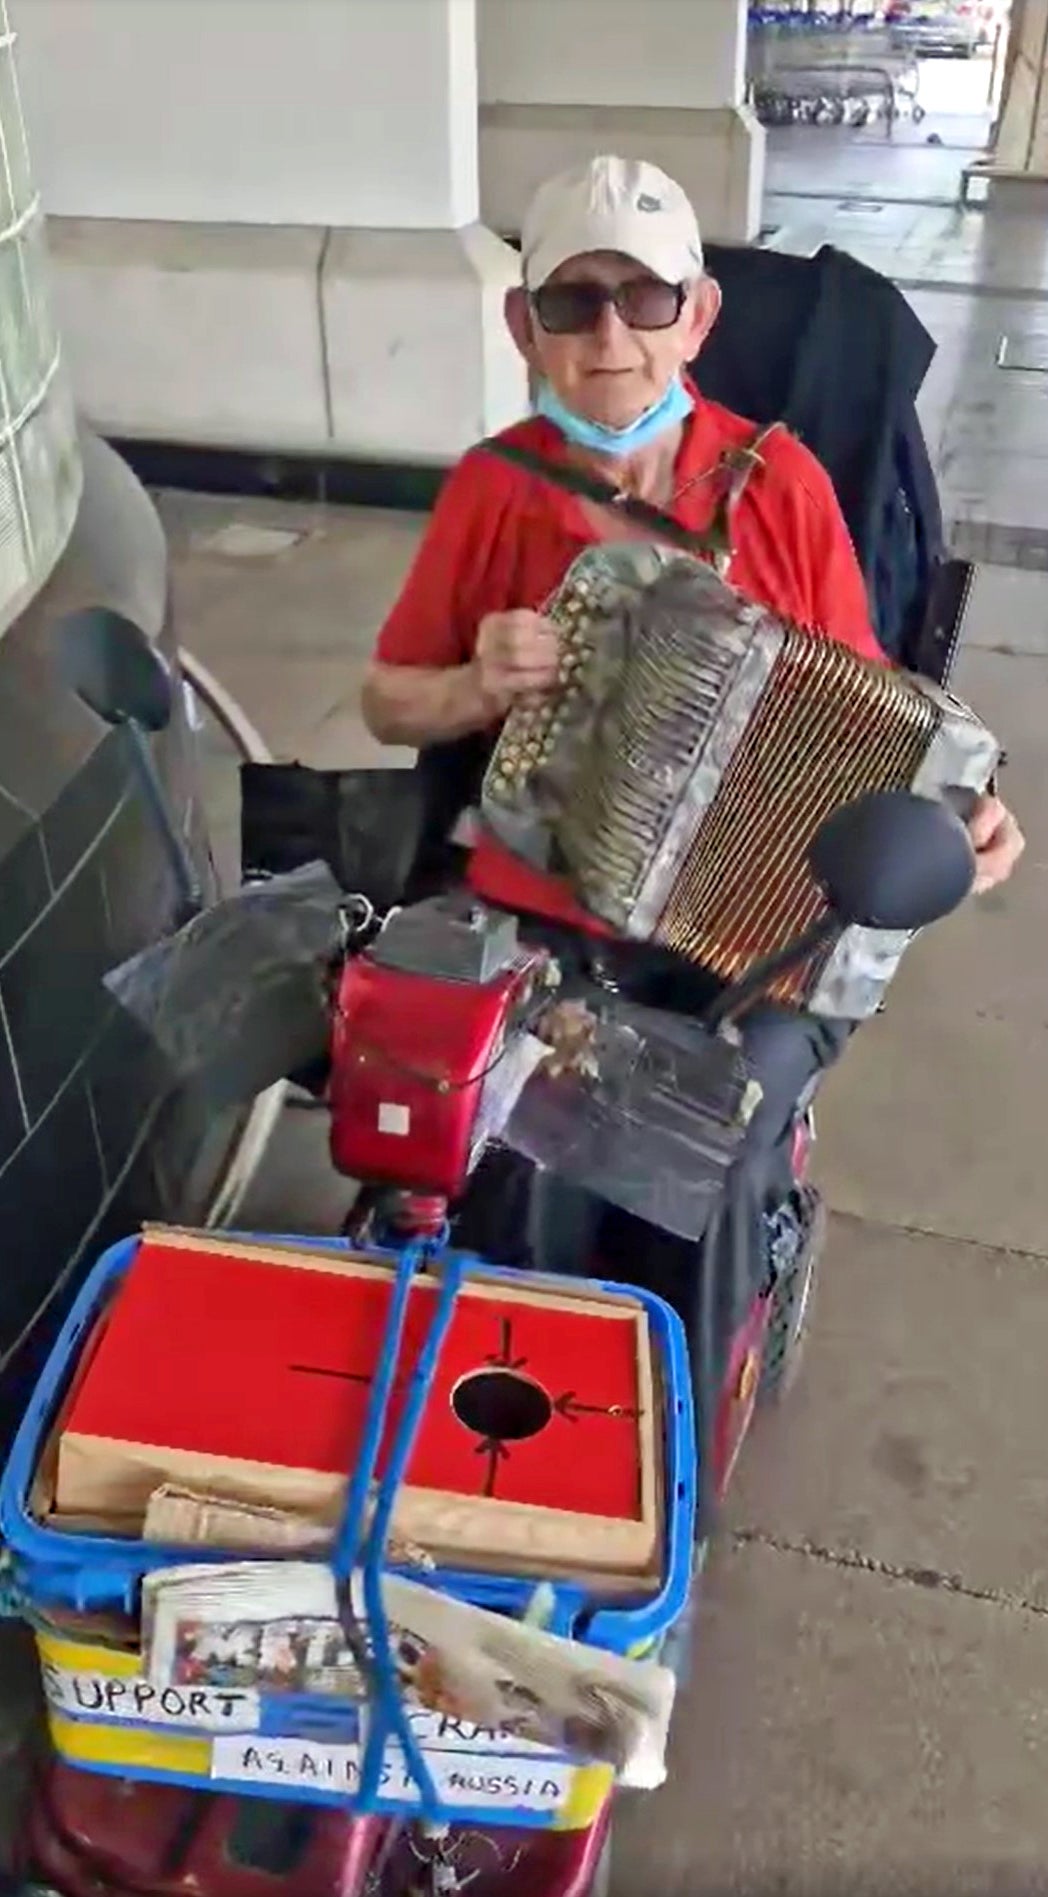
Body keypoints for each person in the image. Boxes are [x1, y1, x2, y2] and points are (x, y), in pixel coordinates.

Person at [360, 155, 1024, 1304]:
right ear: (526, 327)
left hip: (759, 943)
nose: (609, 335)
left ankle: (675, 1428)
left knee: (706, 1155)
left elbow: (875, 724)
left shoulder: (783, 484)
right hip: (552, 905)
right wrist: (474, 684)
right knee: (513, 1153)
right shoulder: (494, 487)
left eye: (646, 299)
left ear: (698, 317)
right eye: (573, 302)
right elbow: (386, 698)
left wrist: (959, 819)